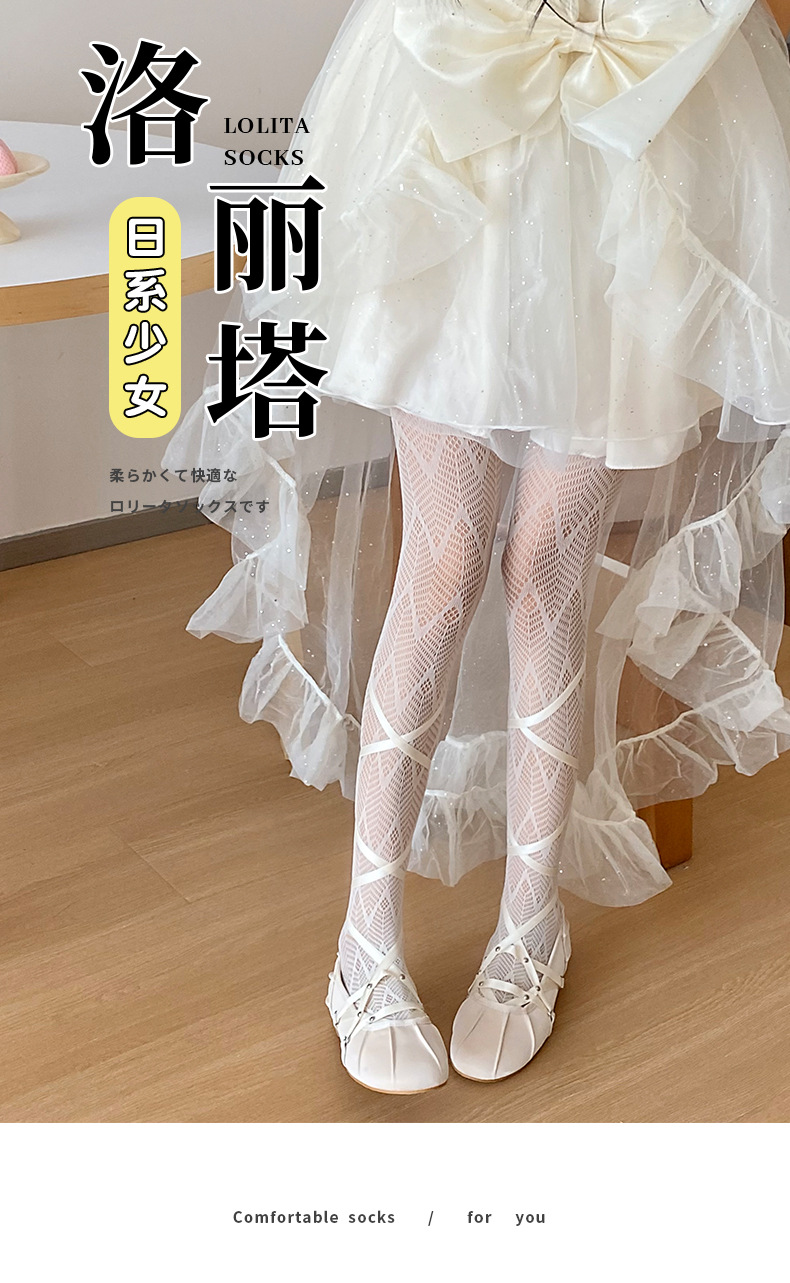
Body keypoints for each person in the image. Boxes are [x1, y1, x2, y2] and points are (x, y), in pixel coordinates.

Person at [163, 0, 790, 1094]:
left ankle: (530, 923)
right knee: (445, 563)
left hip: (631, 133)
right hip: (458, 111)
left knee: (547, 566)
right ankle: (365, 935)